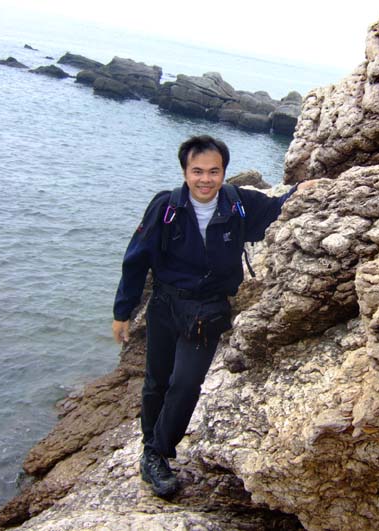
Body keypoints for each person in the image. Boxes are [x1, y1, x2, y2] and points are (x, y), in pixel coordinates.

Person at [112, 135, 312, 498]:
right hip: (165, 304)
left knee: (186, 383)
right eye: (197, 171)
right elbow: (137, 257)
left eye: (214, 171)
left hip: (208, 309)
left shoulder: (238, 203)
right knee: (156, 381)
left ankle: (158, 453)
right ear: (185, 172)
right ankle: (150, 446)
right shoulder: (166, 207)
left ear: (223, 172)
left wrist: (302, 190)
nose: (205, 179)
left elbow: (277, 208)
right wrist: (122, 311)